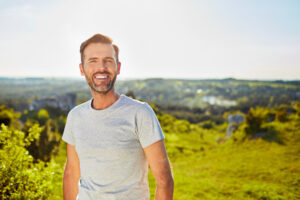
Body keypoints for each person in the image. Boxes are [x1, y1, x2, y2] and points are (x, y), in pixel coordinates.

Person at [62, 33, 174, 200]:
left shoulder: (140, 113)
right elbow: (71, 173)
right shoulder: (75, 116)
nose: (101, 67)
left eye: (108, 60)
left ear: (118, 67)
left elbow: (164, 180)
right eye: (93, 61)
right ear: (81, 69)